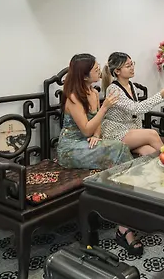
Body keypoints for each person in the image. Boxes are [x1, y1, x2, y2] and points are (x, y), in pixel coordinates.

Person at [57, 53, 142, 256]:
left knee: (120, 155)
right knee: (120, 150)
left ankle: (128, 213)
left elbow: (95, 126)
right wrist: (104, 109)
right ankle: (125, 225)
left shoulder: (93, 92)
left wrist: (96, 135)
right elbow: (86, 129)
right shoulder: (73, 97)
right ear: (84, 75)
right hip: (71, 148)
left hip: (89, 142)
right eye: (95, 69)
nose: (99, 71)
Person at [101, 52, 164, 155]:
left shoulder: (131, 85)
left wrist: (139, 131)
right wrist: (161, 95)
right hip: (115, 133)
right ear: (117, 71)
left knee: (151, 152)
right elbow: (136, 109)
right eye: (128, 66)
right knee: (152, 134)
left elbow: (135, 115)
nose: (132, 68)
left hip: (130, 131)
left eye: (132, 64)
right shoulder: (114, 90)